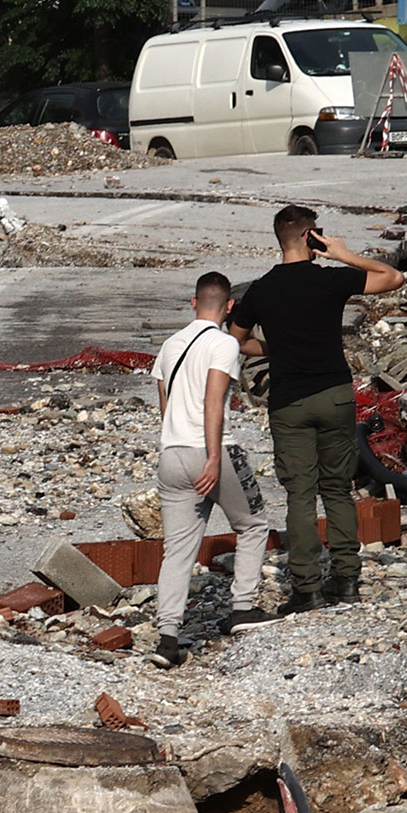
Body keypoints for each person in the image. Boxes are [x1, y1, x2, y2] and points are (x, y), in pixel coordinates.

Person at [228, 205, 402, 611]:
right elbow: (393, 278)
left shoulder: (261, 289)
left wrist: (275, 349)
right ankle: (346, 581)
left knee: (300, 496)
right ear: (311, 237)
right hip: (334, 393)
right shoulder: (331, 279)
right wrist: (343, 254)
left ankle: (306, 590)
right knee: (338, 489)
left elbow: (234, 340)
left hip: (288, 400)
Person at [147, 272, 280, 669]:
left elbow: (165, 405)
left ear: (193, 303)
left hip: (171, 454)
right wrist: (210, 458)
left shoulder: (170, 345)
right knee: (254, 524)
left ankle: (167, 638)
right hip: (212, 452)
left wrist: (179, 444)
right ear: (229, 308)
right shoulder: (224, 343)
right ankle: (242, 609)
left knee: (178, 550)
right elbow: (213, 401)